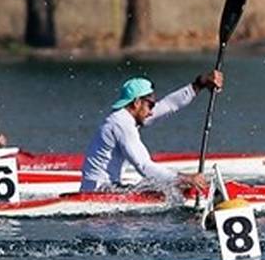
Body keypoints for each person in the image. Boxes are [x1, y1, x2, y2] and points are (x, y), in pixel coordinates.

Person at [79, 72, 223, 193]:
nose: (151, 111)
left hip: (105, 188)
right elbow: (144, 166)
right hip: (99, 192)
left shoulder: (127, 117)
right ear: (136, 102)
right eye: (150, 105)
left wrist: (199, 84)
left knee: (162, 185)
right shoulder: (121, 124)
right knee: (167, 186)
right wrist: (187, 179)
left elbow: (168, 105)